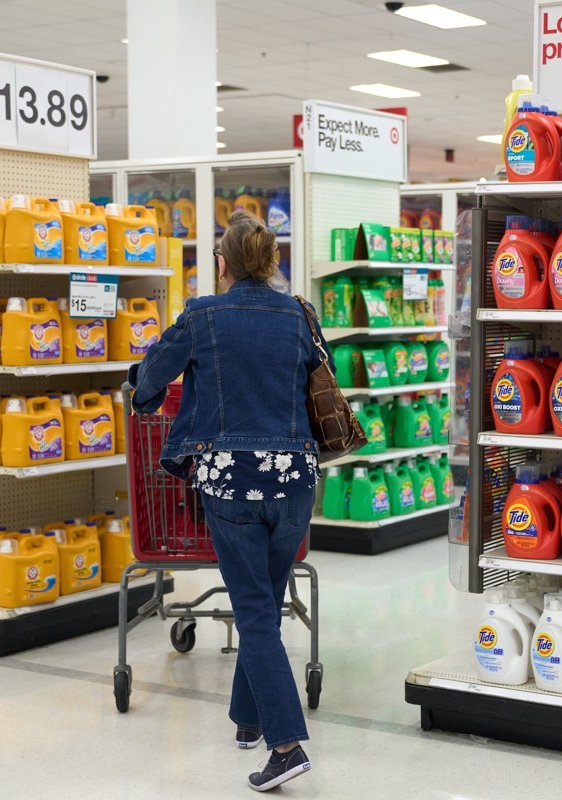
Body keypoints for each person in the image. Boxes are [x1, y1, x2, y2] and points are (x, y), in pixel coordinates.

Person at [129, 211, 320, 792]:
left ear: (223, 263)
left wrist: (143, 396)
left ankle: (285, 746)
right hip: (294, 482)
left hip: (231, 483)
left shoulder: (202, 315)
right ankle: (247, 720)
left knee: (256, 611)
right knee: (262, 595)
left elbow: (152, 377)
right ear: (270, 261)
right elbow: (319, 379)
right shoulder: (298, 314)